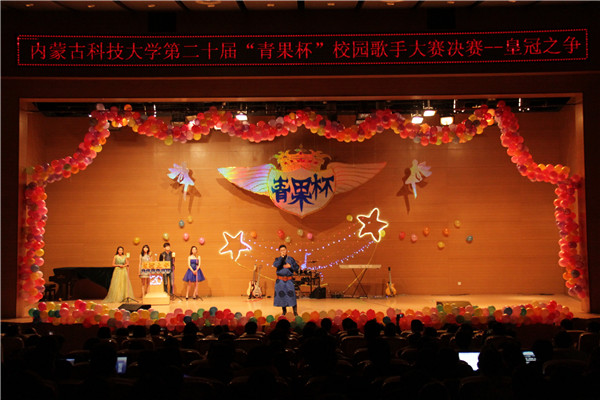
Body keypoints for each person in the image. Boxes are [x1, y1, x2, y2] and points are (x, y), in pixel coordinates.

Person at [272, 244, 299, 316]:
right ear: (279, 251)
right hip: (280, 281)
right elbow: (276, 265)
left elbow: (297, 267)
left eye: (284, 250)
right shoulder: (278, 259)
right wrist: (281, 258)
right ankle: (284, 311)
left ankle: (295, 312)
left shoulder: (291, 259)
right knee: (282, 295)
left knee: (292, 295)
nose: (283, 251)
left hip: (289, 280)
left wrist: (290, 266)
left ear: (286, 250)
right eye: (281, 250)